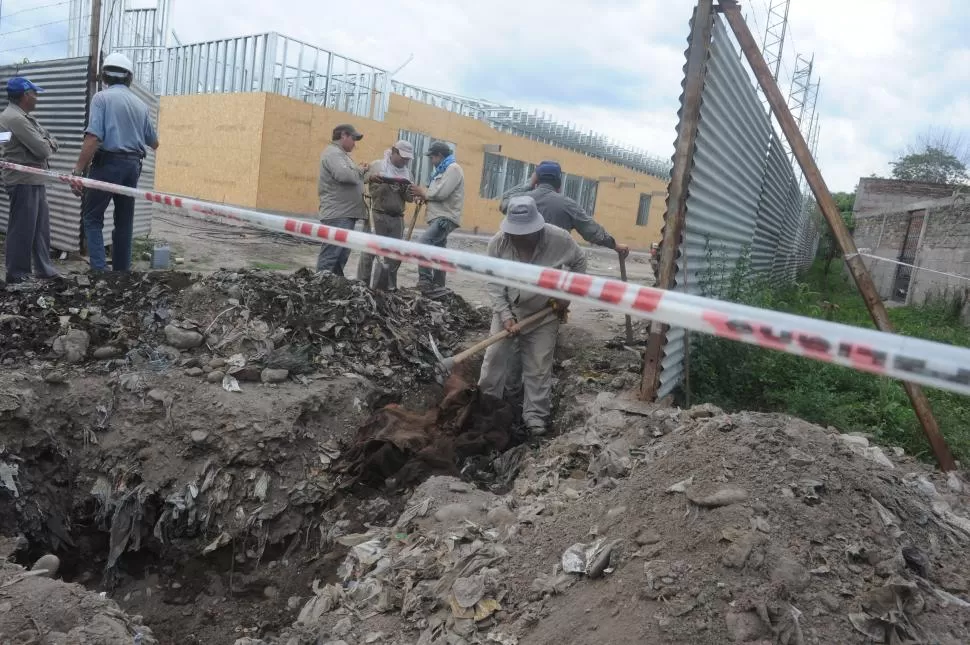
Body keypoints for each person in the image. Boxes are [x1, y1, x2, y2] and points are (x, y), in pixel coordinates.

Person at [478, 196, 587, 436]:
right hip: (508, 307)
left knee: (538, 365)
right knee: (494, 358)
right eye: (514, 233)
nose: (518, 237)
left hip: (544, 312)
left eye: (524, 233)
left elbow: (580, 262)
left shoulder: (559, 239)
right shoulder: (498, 244)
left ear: (536, 227)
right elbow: (494, 284)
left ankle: (535, 418)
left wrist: (566, 295)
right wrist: (506, 316)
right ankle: (486, 407)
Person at [71, 52, 158, 272]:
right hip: (132, 167)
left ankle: (100, 273)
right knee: (124, 221)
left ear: (104, 77)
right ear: (129, 78)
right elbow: (154, 142)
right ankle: (121, 273)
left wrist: (77, 171)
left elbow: (93, 137)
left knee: (92, 217)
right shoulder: (141, 105)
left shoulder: (102, 98)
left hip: (107, 164)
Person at [500, 160, 630, 259]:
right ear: (559, 182)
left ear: (536, 180)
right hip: (551, 272)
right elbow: (593, 232)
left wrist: (529, 184)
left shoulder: (519, 200)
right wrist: (615, 246)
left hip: (518, 269)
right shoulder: (568, 205)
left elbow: (504, 202)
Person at [0, 76, 60, 284]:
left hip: (33, 178)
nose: (37, 98)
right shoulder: (14, 118)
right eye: (35, 94)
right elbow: (43, 148)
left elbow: (48, 138)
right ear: (25, 95)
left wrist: (48, 142)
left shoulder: (21, 116)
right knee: (22, 228)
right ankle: (16, 274)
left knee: (40, 228)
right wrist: (49, 143)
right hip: (23, 179)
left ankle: (44, 268)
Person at [356, 139, 415, 290]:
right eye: (403, 157)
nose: (405, 161)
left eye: (408, 159)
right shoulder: (377, 165)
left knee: (392, 256)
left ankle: (385, 289)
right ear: (394, 152)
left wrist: (406, 189)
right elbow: (362, 182)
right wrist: (378, 181)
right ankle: (361, 286)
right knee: (369, 253)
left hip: (397, 219)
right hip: (377, 215)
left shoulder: (408, 173)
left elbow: (409, 198)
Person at [408, 141, 464, 293]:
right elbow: (436, 193)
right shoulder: (441, 171)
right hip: (438, 216)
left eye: (432, 158)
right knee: (439, 251)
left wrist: (423, 192)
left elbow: (442, 193)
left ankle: (425, 281)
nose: (431, 161)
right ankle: (439, 286)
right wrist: (425, 197)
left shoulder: (453, 169)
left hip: (445, 217)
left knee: (423, 243)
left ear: (439, 155)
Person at [316, 123, 369, 276]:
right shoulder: (333, 154)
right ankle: (319, 287)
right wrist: (360, 170)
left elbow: (353, 177)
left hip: (345, 214)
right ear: (343, 135)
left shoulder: (342, 156)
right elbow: (345, 176)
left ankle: (334, 287)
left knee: (341, 255)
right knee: (331, 255)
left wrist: (364, 174)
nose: (355, 144)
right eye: (353, 139)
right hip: (338, 215)